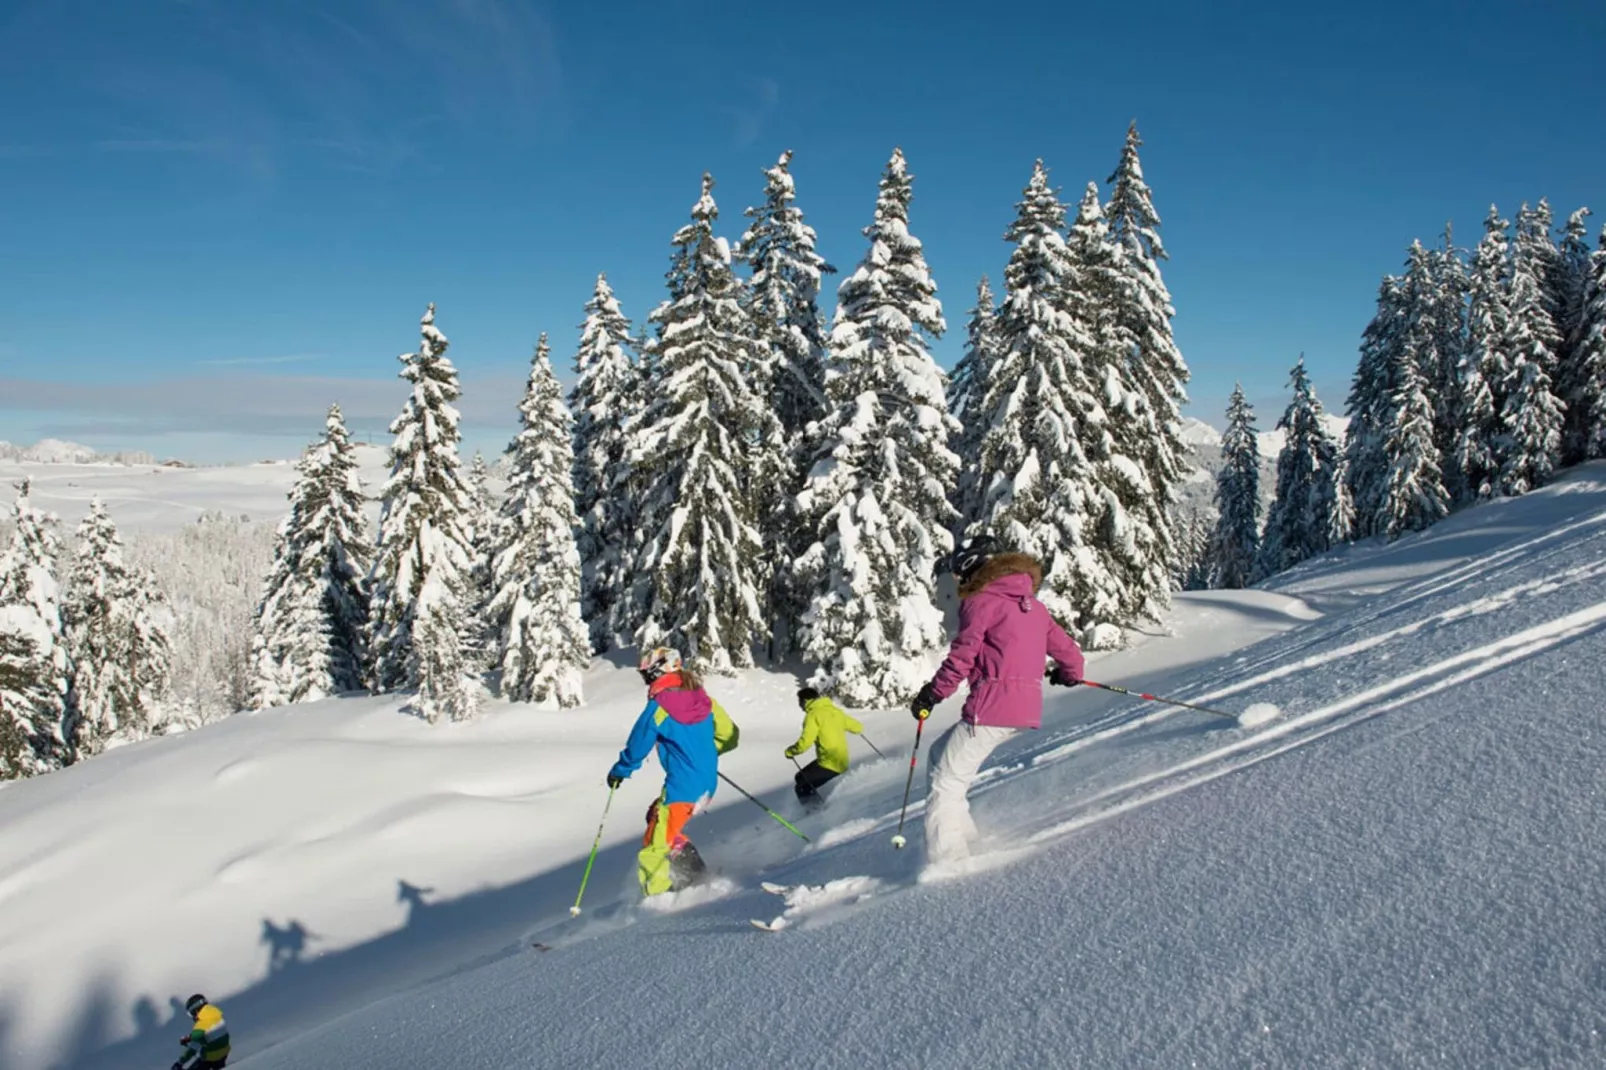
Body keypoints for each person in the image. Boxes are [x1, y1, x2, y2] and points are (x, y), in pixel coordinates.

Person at [911, 535, 1085, 863]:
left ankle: (948, 861)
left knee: (945, 783)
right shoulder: (1033, 605)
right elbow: (1069, 653)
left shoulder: (981, 602)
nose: (958, 581)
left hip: (991, 707)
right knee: (941, 758)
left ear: (970, 567)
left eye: (958, 573)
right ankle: (967, 841)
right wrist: (1068, 674)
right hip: (1025, 709)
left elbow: (962, 657)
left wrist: (932, 694)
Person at [608, 647, 740, 896]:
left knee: (654, 844)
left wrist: (620, 771)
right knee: (656, 817)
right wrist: (704, 755)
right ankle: (696, 873)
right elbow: (730, 736)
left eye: (647, 675)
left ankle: (658, 899)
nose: (646, 681)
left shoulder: (659, 707)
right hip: (706, 783)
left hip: (683, 787)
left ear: (660, 671)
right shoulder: (704, 699)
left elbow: (638, 745)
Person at [784, 687, 864, 810]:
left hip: (829, 763)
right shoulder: (834, 711)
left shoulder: (813, 715)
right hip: (841, 759)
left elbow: (805, 742)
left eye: (800, 702)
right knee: (799, 777)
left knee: (801, 787)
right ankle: (816, 805)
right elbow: (858, 727)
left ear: (805, 701)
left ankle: (815, 812)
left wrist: (791, 751)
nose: (800, 706)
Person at [173, 993, 230, 1070]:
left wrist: (180, 1062)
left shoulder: (201, 1024)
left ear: (195, 1010)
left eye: (191, 1013)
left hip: (211, 1058)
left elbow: (194, 1047)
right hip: (223, 1054)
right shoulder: (216, 1015)